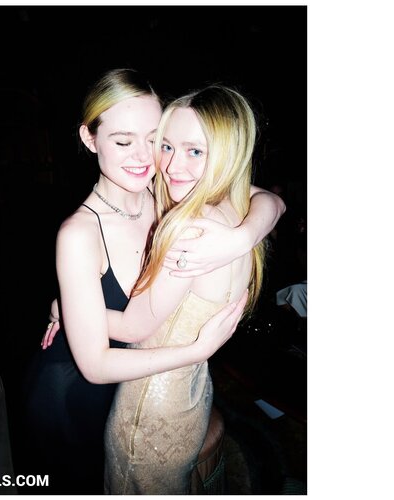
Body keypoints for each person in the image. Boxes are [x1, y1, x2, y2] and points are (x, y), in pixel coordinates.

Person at [20, 69, 284, 494]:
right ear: (90, 139)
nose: (145, 157)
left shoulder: (165, 190)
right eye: (123, 141)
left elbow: (267, 199)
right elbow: (95, 364)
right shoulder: (80, 234)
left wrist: (242, 237)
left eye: (154, 139)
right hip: (78, 392)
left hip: (139, 386)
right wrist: (195, 351)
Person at [103, 84, 265, 494]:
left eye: (195, 151)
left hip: (147, 415)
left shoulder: (189, 229)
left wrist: (66, 308)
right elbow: (271, 201)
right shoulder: (238, 211)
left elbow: (133, 328)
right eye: (167, 146)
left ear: (227, 154)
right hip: (192, 396)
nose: (173, 165)